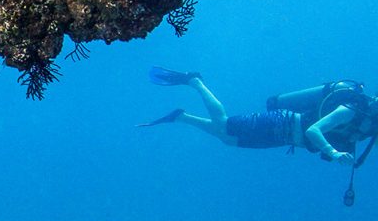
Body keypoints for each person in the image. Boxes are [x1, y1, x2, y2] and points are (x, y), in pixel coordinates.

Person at [139, 67, 377, 165]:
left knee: (229, 139)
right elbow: (313, 130)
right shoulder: (350, 110)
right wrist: (333, 152)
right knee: (225, 125)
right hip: (283, 122)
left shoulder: (370, 126)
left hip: (285, 139)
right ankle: (195, 81)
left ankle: (181, 117)